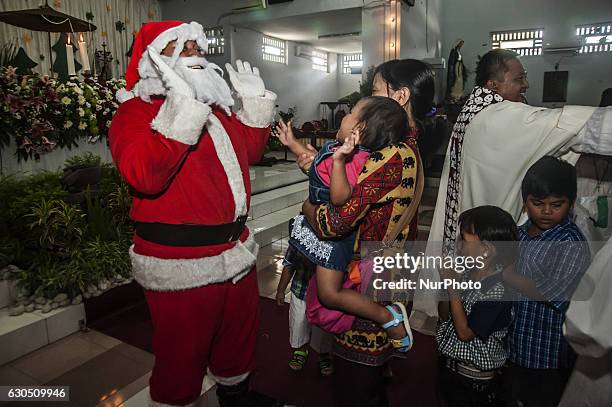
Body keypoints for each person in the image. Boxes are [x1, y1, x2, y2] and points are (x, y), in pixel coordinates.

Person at [109, 21, 279, 407]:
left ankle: (236, 397)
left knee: (237, 342)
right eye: (181, 49)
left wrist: (254, 106)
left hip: (234, 254)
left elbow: (249, 154)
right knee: (181, 359)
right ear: (154, 62)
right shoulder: (134, 112)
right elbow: (144, 175)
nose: (194, 55)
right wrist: (182, 108)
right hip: (180, 267)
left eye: (195, 47)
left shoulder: (216, 111)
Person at [296, 59, 435, 407]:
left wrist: (307, 208)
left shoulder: (391, 155)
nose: (365, 101)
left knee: (357, 389)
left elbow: (335, 223)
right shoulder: (405, 146)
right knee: (369, 385)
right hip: (387, 272)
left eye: (373, 92)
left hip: (368, 281)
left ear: (400, 96)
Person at [276, 96, 414, 354]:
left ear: (358, 130)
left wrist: (338, 162)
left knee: (330, 294)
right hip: (320, 233)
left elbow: (340, 198)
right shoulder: (339, 149)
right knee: (318, 292)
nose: (344, 116)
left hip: (334, 240)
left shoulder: (355, 159)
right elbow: (319, 163)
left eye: (351, 112)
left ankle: (387, 317)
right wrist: (293, 143)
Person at [503, 156, 591, 407]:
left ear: (571, 203)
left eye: (557, 204)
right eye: (538, 203)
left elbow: (552, 292)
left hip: (546, 353)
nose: (547, 211)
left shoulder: (570, 243)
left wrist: (509, 275)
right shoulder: (519, 233)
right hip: (515, 343)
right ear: (525, 202)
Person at [437, 205, 516, 407]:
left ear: (487, 250)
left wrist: (453, 288)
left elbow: (465, 333)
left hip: (474, 380)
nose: (459, 245)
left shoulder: (498, 290)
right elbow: (445, 316)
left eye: (464, 240)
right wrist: (448, 286)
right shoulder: (465, 274)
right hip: (450, 367)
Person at [275, 244, 334, 376]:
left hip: (323, 294)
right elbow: (289, 265)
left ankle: (323, 353)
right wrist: (280, 290)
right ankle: (300, 350)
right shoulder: (298, 240)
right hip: (301, 290)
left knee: (323, 326)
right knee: (298, 323)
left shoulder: (332, 238)